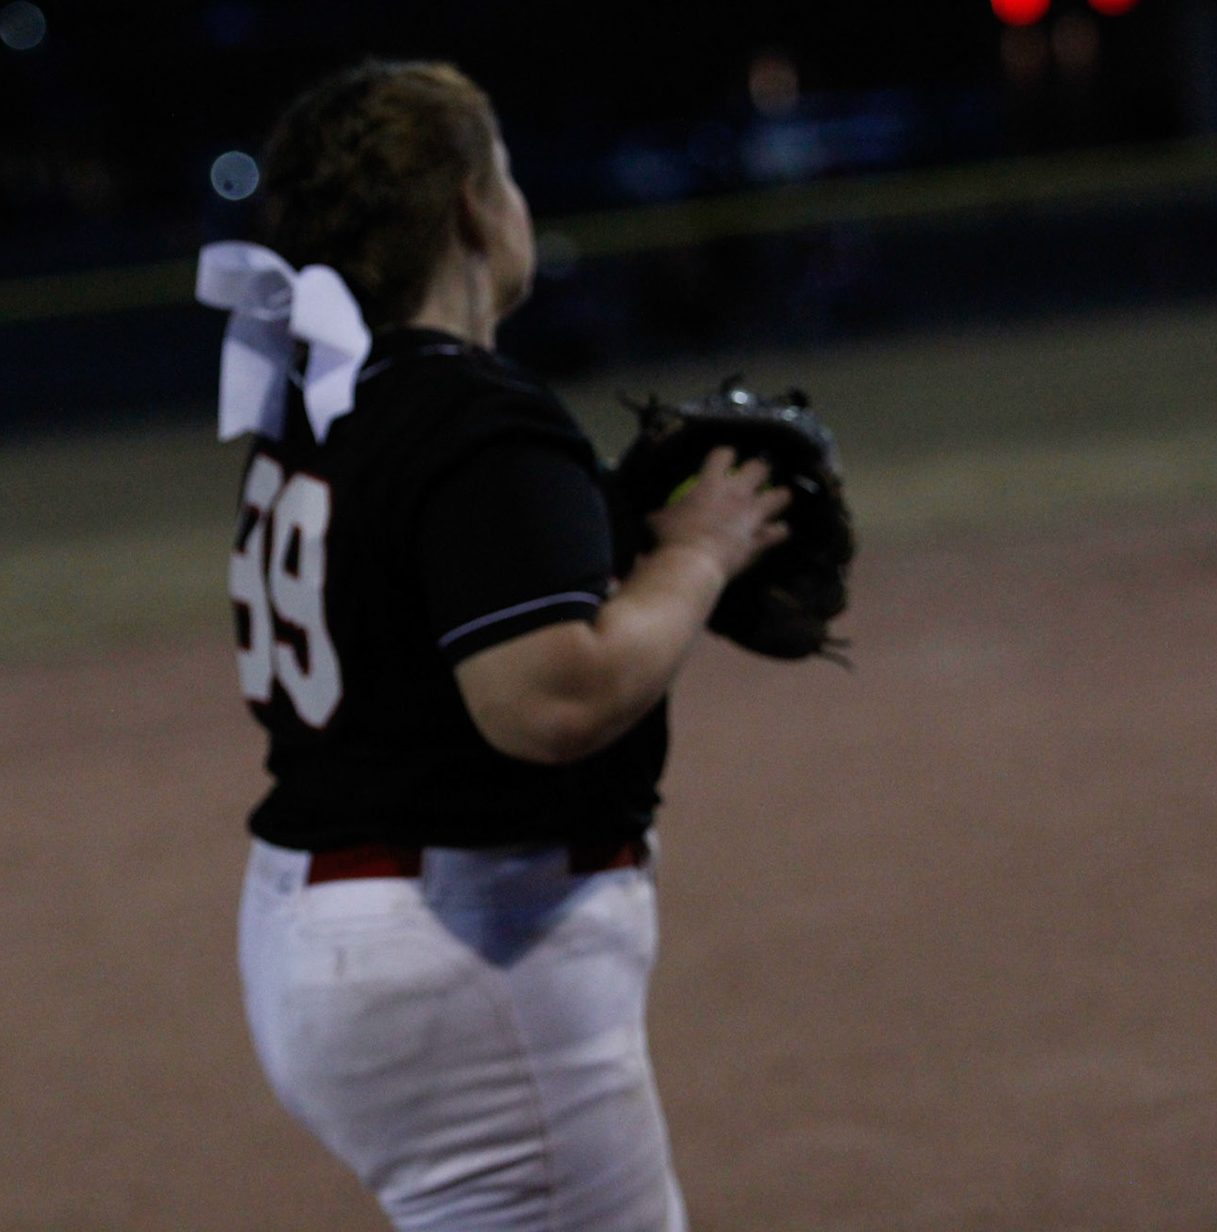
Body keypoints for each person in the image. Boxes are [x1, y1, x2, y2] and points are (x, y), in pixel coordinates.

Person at [201, 60, 789, 1232]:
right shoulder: (471, 414)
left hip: (337, 919)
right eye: (506, 174)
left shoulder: (322, 398)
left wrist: (600, 534)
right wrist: (701, 552)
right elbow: (553, 700)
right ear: (473, 205)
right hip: (462, 947)